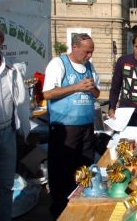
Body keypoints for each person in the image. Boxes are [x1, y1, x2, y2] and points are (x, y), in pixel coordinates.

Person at [43, 33, 100, 218]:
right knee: (62, 171)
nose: (89, 56)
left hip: (86, 128)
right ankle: (61, 209)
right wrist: (76, 87)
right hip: (65, 128)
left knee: (84, 167)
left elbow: (97, 94)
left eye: (91, 52)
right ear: (74, 48)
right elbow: (48, 94)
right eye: (86, 52)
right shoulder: (58, 64)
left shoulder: (89, 66)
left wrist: (91, 88)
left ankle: (82, 204)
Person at [0, 22, 30, 221]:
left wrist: (24, 131)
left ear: (0, 41)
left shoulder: (12, 69)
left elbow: (22, 103)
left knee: (5, 186)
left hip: (6, 132)